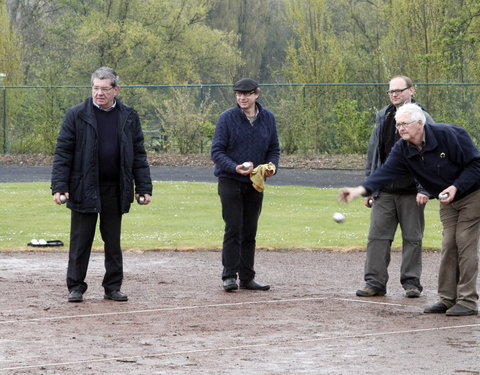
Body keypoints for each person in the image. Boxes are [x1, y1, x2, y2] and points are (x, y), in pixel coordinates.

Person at [339, 103, 480, 316]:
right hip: (448, 200)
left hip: (472, 194)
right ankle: (447, 299)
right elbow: (385, 172)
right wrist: (359, 190)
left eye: (405, 124)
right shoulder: (403, 148)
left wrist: (456, 186)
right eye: (398, 125)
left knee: (464, 242)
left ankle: (468, 301)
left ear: (420, 123)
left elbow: (476, 165)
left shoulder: (450, 134)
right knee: (448, 244)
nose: (400, 129)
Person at [51, 66, 152, 303]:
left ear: (116, 89)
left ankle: (113, 287)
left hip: (115, 189)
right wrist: (59, 186)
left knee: (113, 242)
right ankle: (76, 286)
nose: (99, 93)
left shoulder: (129, 116)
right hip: (83, 187)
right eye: (95, 88)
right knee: (80, 241)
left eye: (105, 89)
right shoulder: (76, 115)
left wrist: (144, 187)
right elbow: (63, 154)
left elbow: (138, 154)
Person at [357, 75, 434, 298]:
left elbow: (430, 156)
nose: (395, 94)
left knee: (412, 239)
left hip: (412, 192)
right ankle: (375, 283)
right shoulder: (384, 116)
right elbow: (374, 153)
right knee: (377, 239)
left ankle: (411, 283)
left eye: (399, 90)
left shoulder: (423, 118)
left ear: (412, 91)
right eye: (391, 91)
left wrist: (425, 188)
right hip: (385, 191)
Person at [211, 78, 280, 292]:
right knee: (234, 228)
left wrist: (272, 167)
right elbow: (217, 152)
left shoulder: (268, 118)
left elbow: (274, 149)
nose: (242, 97)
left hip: (255, 183)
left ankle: (247, 277)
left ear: (256, 94)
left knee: (250, 230)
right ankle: (229, 276)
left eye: (247, 93)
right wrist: (235, 167)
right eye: (239, 94)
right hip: (230, 180)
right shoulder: (227, 118)